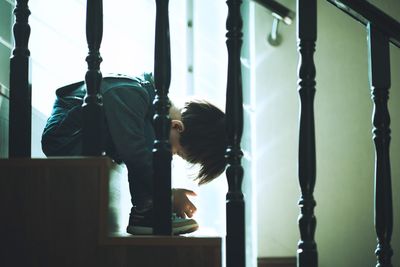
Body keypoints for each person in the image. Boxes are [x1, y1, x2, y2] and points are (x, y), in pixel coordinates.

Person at [41, 73, 227, 235]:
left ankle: (147, 210)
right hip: (65, 137)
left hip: (82, 136)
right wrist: (166, 193)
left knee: (151, 143)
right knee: (150, 143)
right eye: (177, 152)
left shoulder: (143, 103)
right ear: (177, 126)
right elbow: (134, 153)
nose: (172, 155)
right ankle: (145, 212)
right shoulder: (132, 94)